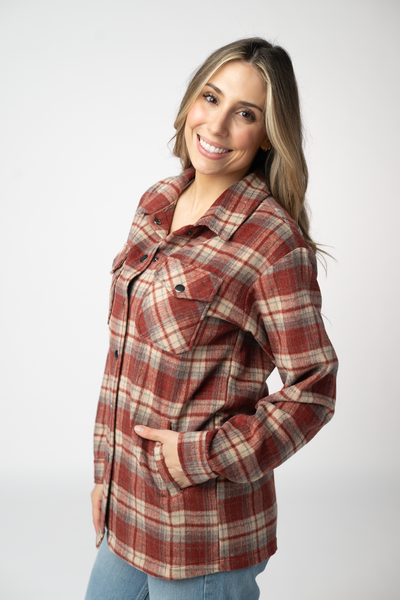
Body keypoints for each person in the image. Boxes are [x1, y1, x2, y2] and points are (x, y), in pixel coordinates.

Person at [85, 37, 338, 600]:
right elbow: (123, 360)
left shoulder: (271, 242)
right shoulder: (155, 203)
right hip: (127, 510)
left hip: (202, 534)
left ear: (268, 134)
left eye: (245, 114)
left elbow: (315, 388)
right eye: (211, 97)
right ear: (190, 102)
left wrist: (205, 454)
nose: (217, 126)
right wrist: (106, 477)